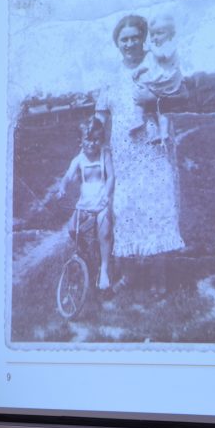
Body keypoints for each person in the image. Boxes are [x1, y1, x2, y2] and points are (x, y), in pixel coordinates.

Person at [97, 15, 185, 277]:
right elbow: (101, 113)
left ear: (144, 38)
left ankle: (160, 277)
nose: (130, 43)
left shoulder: (157, 62)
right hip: (124, 151)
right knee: (126, 207)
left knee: (156, 203)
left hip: (153, 145)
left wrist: (154, 96)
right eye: (124, 39)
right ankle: (128, 275)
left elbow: (181, 94)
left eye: (135, 37)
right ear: (117, 43)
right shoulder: (110, 76)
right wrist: (92, 140)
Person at [56, 116, 114, 290]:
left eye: (97, 139)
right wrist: (62, 188)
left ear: (101, 140)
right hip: (85, 203)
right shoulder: (79, 159)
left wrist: (107, 194)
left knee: (104, 232)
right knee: (73, 229)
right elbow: (67, 176)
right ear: (80, 141)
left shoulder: (105, 155)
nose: (92, 143)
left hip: (102, 201)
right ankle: (87, 255)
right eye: (88, 139)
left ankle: (104, 269)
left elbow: (111, 176)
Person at [128, 14, 187, 144]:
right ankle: (163, 133)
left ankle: (138, 118)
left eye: (159, 33)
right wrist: (139, 69)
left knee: (137, 96)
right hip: (163, 87)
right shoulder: (156, 50)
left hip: (165, 84)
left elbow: (161, 57)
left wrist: (151, 48)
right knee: (162, 108)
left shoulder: (170, 45)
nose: (155, 38)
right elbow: (149, 64)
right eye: (153, 34)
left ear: (171, 34)